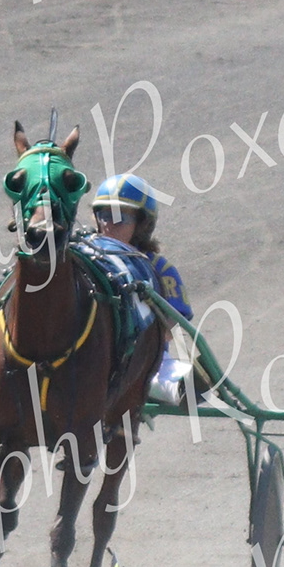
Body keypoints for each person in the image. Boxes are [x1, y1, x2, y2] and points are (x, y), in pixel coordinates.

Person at [84, 173, 196, 406]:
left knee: (165, 378)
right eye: (104, 216)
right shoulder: (85, 262)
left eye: (119, 218)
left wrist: (133, 345)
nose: (109, 224)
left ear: (142, 225)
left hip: (142, 356)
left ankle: (177, 387)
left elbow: (172, 327)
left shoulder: (159, 268)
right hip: (89, 353)